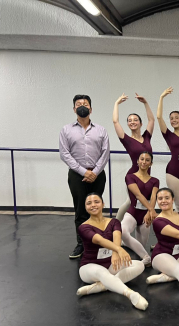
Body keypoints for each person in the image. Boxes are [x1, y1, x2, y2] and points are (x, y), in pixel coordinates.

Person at [76, 193, 148, 311]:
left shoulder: (114, 222)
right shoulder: (83, 227)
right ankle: (131, 295)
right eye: (89, 203)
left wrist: (115, 253)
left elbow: (117, 237)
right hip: (89, 267)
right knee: (102, 273)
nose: (93, 205)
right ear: (85, 207)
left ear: (103, 204)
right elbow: (99, 240)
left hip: (110, 264)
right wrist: (119, 250)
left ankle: (100, 287)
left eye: (96, 202)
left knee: (139, 264)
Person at [60, 95, 110, 259]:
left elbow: (105, 152)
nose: (82, 106)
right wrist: (83, 171)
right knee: (81, 210)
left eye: (85, 104)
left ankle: (98, 241)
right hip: (76, 176)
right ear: (74, 109)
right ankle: (82, 244)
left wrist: (95, 172)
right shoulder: (66, 130)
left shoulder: (101, 130)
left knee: (97, 208)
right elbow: (64, 154)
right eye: (78, 104)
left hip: (98, 175)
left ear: (91, 109)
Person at [112, 93, 154, 222]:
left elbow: (151, 120)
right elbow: (115, 121)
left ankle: (135, 225)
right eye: (129, 121)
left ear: (141, 123)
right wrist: (116, 103)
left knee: (139, 202)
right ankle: (115, 225)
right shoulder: (127, 140)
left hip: (147, 175)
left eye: (135, 120)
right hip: (134, 176)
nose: (132, 122)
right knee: (131, 201)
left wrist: (145, 103)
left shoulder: (147, 137)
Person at [120, 151, 159, 266]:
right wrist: (151, 210)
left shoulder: (155, 180)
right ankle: (147, 258)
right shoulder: (130, 177)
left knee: (140, 246)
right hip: (132, 213)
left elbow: (153, 197)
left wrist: (149, 211)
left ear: (151, 163)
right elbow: (138, 195)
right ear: (137, 161)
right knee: (122, 231)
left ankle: (125, 244)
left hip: (146, 216)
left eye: (147, 160)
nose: (144, 162)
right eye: (142, 159)